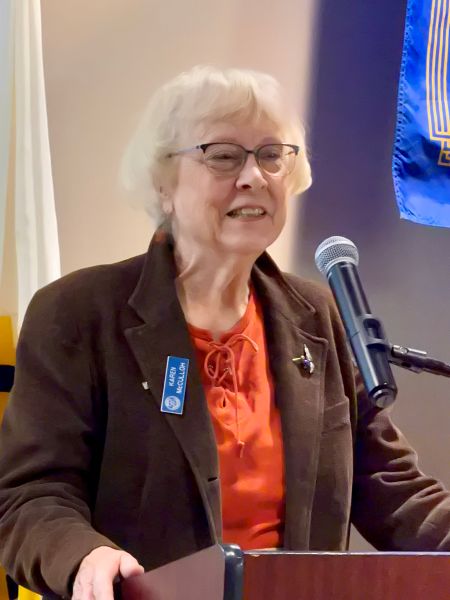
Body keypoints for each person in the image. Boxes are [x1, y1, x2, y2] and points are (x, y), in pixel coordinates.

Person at [0, 65, 449, 600]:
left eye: (271, 155)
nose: (254, 176)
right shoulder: (79, 313)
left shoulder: (316, 314)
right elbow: (30, 496)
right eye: (223, 155)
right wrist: (85, 556)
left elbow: (392, 489)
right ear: (163, 184)